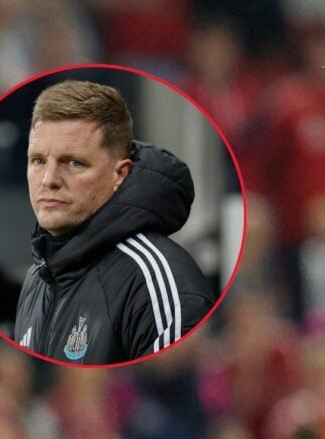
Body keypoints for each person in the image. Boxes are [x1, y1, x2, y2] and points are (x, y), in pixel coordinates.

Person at [13, 79, 215, 364]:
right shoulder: (38, 279)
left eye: (74, 163)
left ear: (119, 174)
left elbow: (174, 399)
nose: (48, 180)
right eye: (38, 161)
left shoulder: (156, 279)